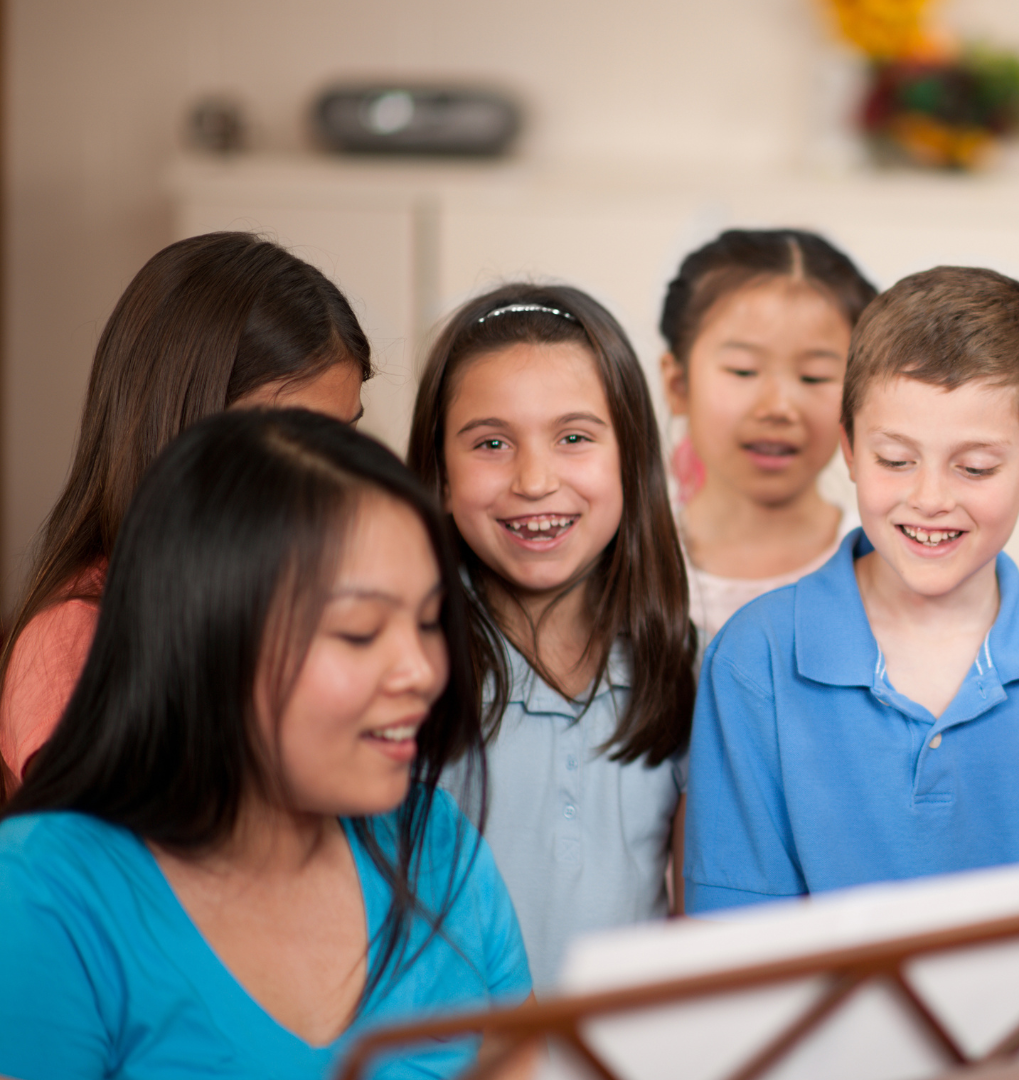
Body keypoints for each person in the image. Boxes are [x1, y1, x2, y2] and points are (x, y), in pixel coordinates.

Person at [0, 410, 528, 1080]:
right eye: (361, 632)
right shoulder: (45, 893)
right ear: (210, 642)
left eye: (428, 622)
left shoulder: (440, 845)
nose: (422, 671)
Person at [685, 266, 1019, 912]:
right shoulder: (756, 660)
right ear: (850, 449)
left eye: (974, 467)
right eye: (896, 460)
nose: (930, 499)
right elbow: (735, 939)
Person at [0, 232, 371, 789]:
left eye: (341, 440)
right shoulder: (74, 641)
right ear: (174, 429)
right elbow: (112, 861)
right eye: (281, 442)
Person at [408, 284, 697, 990]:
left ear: (629, 460)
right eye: (492, 443)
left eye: (573, 438)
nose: (535, 481)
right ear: (440, 473)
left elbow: (698, 921)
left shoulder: (683, 662)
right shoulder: (407, 665)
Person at [659, 229, 878, 641]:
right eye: (743, 370)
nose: (778, 406)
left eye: (815, 376)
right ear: (678, 385)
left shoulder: (883, 567)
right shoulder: (627, 565)